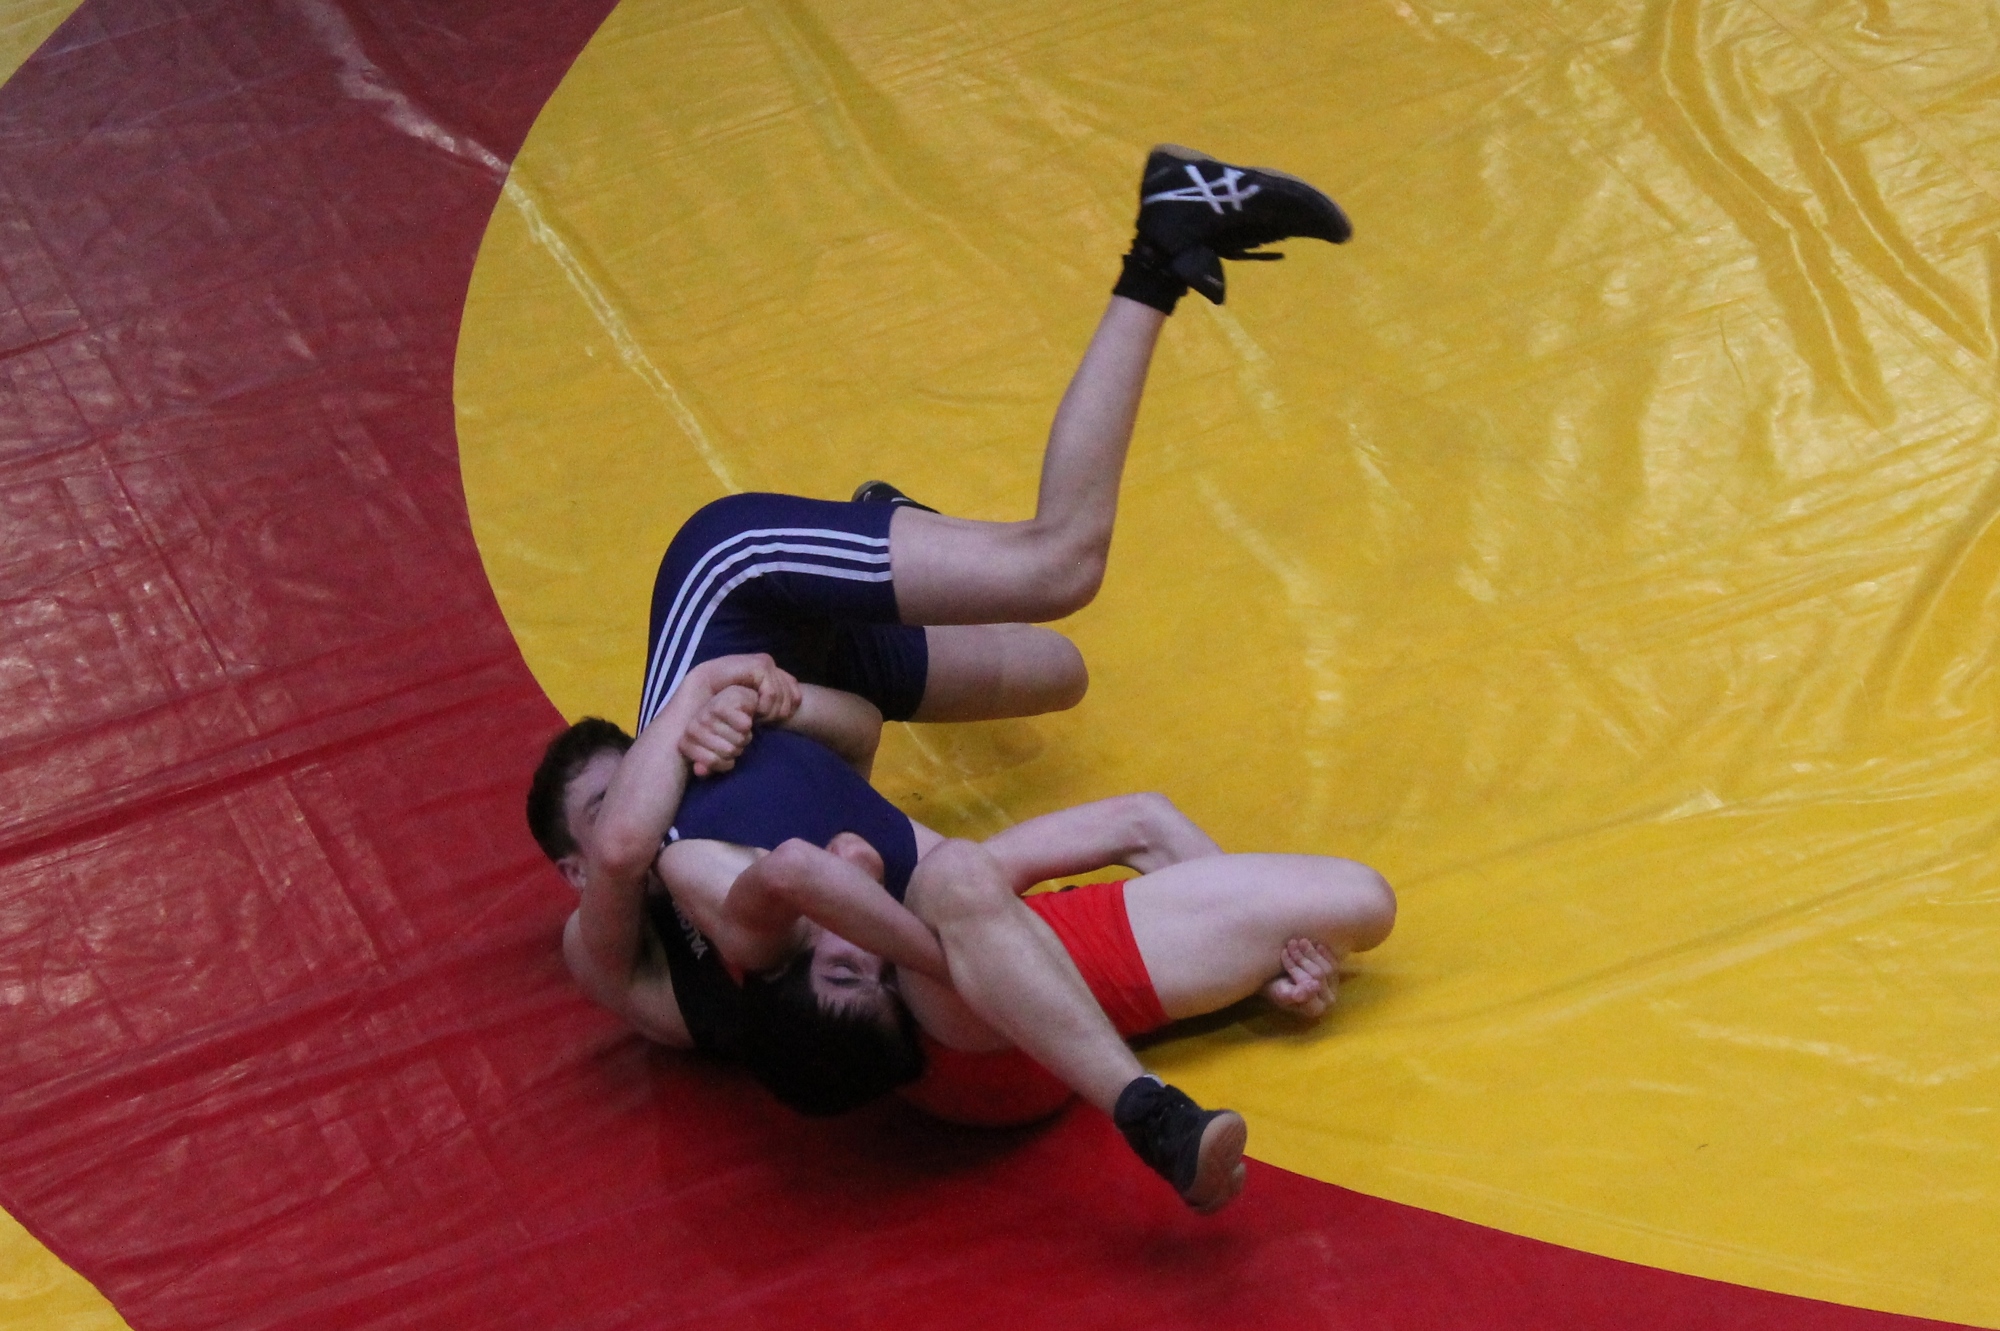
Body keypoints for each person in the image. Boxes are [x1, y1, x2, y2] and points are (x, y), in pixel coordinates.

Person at [526, 144, 1355, 1209]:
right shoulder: (693, 966)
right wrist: (787, 702)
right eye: (622, 787)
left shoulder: (659, 865)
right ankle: (886, 528)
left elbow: (629, 844)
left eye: (637, 764)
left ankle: (1165, 242)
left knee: (1057, 567)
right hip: (803, 682)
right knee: (1054, 671)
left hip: (736, 594)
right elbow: (855, 747)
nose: (661, 774)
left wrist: (700, 694)